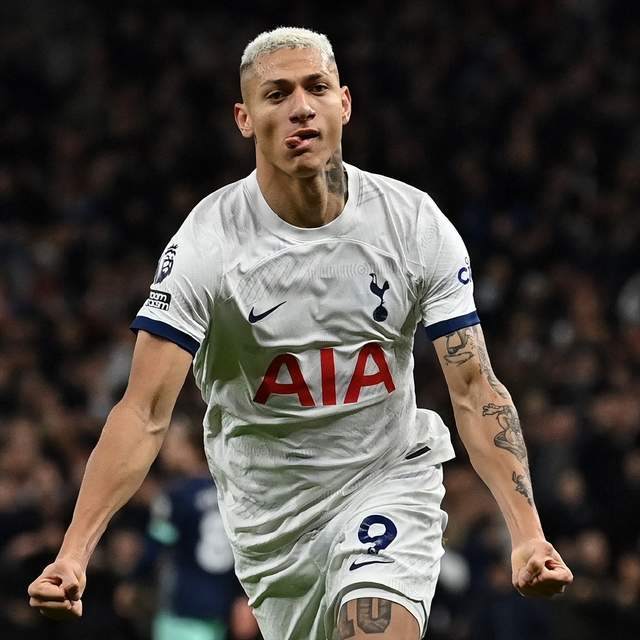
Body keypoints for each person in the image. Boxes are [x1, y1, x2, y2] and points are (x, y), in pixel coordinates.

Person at [28, 26, 572, 640]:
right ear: (244, 118)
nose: (301, 107)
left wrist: (528, 534)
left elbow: (475, 390)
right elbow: (144, 412)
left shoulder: (414, 225)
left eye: (316, 88)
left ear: (345, 103)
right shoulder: (209, 245)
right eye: (277, 93)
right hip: (272, 522)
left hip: (387, 480)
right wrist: (74, 554)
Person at [128, 417, 258, 640]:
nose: (165, 451)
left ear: (189, 448)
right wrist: (243, 596)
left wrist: (133, 580)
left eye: (171, 444)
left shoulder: (176, 495)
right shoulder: (231, 493)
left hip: (182, 609)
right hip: (221, 605)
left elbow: (154, 547)